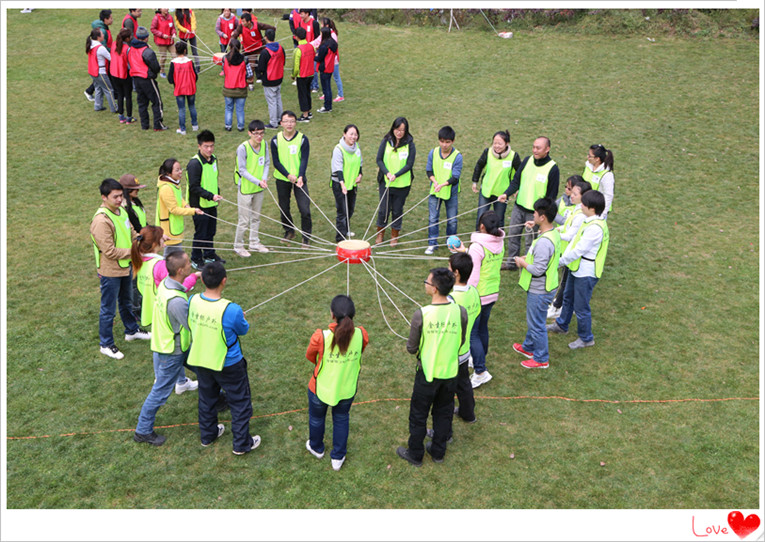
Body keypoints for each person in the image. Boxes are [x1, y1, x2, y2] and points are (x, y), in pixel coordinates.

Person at [187, 262, 261, 455]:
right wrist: (239, 318)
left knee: (207, 398)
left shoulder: (192, 300)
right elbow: (243, 329)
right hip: (229, 363)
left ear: (202, 279)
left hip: (202, 359)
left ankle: (208, 434)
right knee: (239, 402)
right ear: (224, 281)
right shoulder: (232, 309)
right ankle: (241, 444)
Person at [397, 268, 467, 466]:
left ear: (435, 289)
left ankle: (416, 453)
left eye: (427, 282)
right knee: (444, 413)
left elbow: (411, 347)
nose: (425, 284)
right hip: (451, 373)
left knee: (418, 415)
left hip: (427, 374)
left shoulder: (422, 314)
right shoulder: (460, 311)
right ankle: (438, 452)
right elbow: (461, 340)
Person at [133, 250, 199, 447]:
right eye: (188, 264)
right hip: (172, 351)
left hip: (172, 344)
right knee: (160, 391)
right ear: (180, 270)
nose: (191, 265)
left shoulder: (165, 284)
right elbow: (190, 324)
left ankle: (219, 398)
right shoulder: (176, 301)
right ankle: (142, 430)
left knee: (206, 369)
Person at [305, 295, 369, 471]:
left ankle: (317, 447)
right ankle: (338, 456)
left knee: (317, 418)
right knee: (341, 419)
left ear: (332, 314)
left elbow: (310, 356)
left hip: (320, 388)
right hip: (346, 388)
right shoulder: (361, 335)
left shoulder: (320, 336)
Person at [90, 178, 149, 360]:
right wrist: (135, 253)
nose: (118, 200)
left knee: (126, 301)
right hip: (111, 271)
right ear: (104, 197)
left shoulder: (121, 211)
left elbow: (131, 232)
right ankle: (106, 344)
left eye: (120, 196)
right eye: (115, 197)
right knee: (108, 308)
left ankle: (131, 330)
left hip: (125, 266)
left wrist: (144, 240)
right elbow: (109, 251)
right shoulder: (101, 221)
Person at [547, 190, 609, 350]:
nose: (581, 205)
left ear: (592, 208)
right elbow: (574, 241)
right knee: (568, 297)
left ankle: (586, 337)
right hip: (578, 268)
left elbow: (578, 250)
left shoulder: (595, 228)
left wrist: (558, 262)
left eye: (584, 204)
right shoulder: (589, 221)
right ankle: (561, 324)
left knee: (581, 307)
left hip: (586, 271)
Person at [452, 210, 505, 389]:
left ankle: (481, 371)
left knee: (472, 333)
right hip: (492, 292)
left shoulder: (477, 246)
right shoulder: (499, 242)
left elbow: (473, 275)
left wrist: (465, 293)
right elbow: (483, 259)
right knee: (482, 328)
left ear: (482, 226)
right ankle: (478, 360)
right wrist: (465, 251)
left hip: (477, 294)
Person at [512, 198, 561, 369]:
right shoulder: (551, 233)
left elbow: (538, 270)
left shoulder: (545, 242)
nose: (533, 214)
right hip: (546, 285)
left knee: (537, 324)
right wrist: (528, 258)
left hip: (540, 289)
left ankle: (541, 358)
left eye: (535, 212)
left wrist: (522, 262)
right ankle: (528, 347)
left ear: (543, 217)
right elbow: (542, 259)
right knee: (535, 319)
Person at [497, 136, 559, 270]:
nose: (535, 150)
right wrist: (506, 193)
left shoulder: (552, 168)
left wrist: (542, 216)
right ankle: (512, 263)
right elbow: (516, 181)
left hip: (535, 213)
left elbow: (551, 197)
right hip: (519, 207)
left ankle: (528, 265)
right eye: (533, 147)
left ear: (547, 149)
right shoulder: (527, 161)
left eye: (538, 148)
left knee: (530, 241)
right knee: (513, 235)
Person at [130, 224, 198, 328]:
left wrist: (159, 240)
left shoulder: (139, 259)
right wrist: (194, 276)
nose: (164, 238)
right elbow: (179, 287)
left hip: (152, 308)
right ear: (154, 244)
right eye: (161, 237)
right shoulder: (160, 265)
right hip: (166, 309)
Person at [547, 178, 590, 320]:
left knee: (565, 283)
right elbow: (567, 228)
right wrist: (556, 230)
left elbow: (571, 235)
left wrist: (554, 234)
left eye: (575, 194)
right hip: (567, 252)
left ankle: (558, 307)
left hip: (571, 254)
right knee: (565, 282)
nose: (571, 195)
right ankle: (560, 306)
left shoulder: (580, 215)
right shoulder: (576, 210)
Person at [270, 110, 312, 248]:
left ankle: (306, 237)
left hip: (299, 179)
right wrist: (288, 175)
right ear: (281, 123)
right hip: (282, 179)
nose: (289, 124)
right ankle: (289, 231)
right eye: (286, 121)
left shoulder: (303, 139)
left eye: (292, 121)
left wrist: (300, 176)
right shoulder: (275, 140)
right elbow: (276, 162)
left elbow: (304, 159)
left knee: (304, 208)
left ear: (295, 122)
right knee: (284, 207)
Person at [446, 252, 479, 424]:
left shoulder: (452, 300)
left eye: (449, 268)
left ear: (456, 273)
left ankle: (445, 430)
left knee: (448, 390)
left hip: (453, 352)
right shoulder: (473, 291)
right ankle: (468, 413)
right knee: (464, 384)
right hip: (465, 350)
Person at [375, 117, 416, 247]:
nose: (399, 132)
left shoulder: (410, 144)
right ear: (393, 128)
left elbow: (409, 164)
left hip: (402, 184)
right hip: (386, 182)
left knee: (397, 210)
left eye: (402, 130)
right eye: (397, 129)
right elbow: (379, 159)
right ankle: (380, 233)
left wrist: (396, 175)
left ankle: (394, 235)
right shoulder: (386, 141)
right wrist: (387, 173)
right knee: (383, 210)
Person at [187, 130, 224, 269]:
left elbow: (213, 179)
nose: (209, 149)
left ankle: (209, 254)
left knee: (211, 231)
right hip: (199, 205)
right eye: (206, 146)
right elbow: (194, 187)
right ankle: (196, 258)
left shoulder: (214, 159)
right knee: (201, 233)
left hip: (211, 203)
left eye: (211, 146)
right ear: (199, 146)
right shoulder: (194, 164)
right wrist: (211, 196)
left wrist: (217, 194)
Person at [234, 119, 271, 256]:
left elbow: (266, 162)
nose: (259, 137)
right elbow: (242, 170)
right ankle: (238, 245)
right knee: (244, 219)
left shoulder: (264, 145)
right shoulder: (243, 148)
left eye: (261, 133)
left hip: (258, 188)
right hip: (246, 189)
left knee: (256, 217)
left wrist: (264, 178)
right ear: (249, 133)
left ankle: (254, 242)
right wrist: (257, 181)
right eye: (256, 134)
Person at [471, 130, 521, 229]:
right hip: (486, 191)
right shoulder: (487, 152)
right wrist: (475, 181)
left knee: (499, 220)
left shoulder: (513, 156)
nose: (496, 146)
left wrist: (517, 189)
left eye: (500, 144)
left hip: (502, 194)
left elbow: (520, 173)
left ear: (507, 143)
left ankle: (498, 243)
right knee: (481, 218)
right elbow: (479, 165)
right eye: (494, 143)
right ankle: (478, 242)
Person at [425, 126, 462, 255]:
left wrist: (443, 185)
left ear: (452, 141)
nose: (444, 145)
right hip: (435, 191)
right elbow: (429, 170)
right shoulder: (433, 152)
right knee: (433, 218)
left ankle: (452, 244)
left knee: (452, 219)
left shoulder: (457, 156)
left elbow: (455, 177)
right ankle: (432, 243)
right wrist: (435, 182)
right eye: (441, 141)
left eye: (447, 142)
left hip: (450, 193)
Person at [156, 158, 203, 253]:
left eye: (180, 169)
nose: (180, 172)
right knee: (171, 257)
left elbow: (178, 198)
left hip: (175, 227)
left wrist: (186, 205)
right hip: (169, 229)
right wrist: (193, 211)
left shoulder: (174, 184)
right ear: (169, 173)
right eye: (177, 170)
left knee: (175, 255)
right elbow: (174, 209)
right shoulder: (166, 188)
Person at [128, 26, 167, 131]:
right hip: (146, 78)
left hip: (136, 78)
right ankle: (157, 125)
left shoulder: (131, 48)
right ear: (146, 38)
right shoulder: (147, 51)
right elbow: (155, 67)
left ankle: (144, 125)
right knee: (157, 102)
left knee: (142, 103)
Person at [331, 124, 363, 242]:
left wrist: (360, 175)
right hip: (340, 185)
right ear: (344, 134)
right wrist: (342, 185)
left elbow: (359, 163)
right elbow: (338, 168)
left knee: (350, 209)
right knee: (342, 211)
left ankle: (346, 229)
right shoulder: (338, 149)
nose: (353, 137)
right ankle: (340, 238)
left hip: (352, 184)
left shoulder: (357, 148)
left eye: (355, 134)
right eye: (351, 134)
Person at [168, 40, 198, 136]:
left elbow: (170, 78)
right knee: (192, 106)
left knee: (182, 109)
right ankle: (195, 125)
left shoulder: (173, 63)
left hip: (180, 88)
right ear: (185, 50)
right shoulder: (190, 62)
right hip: (190, 88)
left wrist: (176, 82)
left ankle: (183, 129)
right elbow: (195, 76)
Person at [222, 39, 252, 132]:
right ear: (240, 48)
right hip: (241, 88)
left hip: (228, 87)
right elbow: (250, 74)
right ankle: (240, 126)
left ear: (230, 47)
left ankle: (228, 126)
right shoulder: (245, 59)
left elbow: (224, 70)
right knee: (240, 109)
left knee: (228, 108)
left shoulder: (224, 58)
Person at [257, 29, 285, 130]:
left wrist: (260, 75)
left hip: (269, 79)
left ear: (266, 38)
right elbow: (283, 61)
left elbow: (261, 67)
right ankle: (280, 119)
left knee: (272, 101)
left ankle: (274, 123)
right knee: (278, 99)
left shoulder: (265, 52)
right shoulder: (281, 48)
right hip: (279, 77)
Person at [85, 9, 114, 103]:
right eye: (111, 18)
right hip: (104, 59)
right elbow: (104, 47)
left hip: (103, 58)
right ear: (105, 19)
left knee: (102, 78)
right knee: (104, 77)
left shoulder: (104, 28)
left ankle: (90, 92)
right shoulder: (103, 31)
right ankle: (89, 91)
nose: (112, 20)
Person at [86, 28, 117, 114]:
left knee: (98, 88)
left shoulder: (90, 45)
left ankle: (98, 105)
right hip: (100, 72)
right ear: (98, 37)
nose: (103, 35)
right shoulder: (101, 48)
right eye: (102, 34)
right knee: (109, 90)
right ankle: (114, 108)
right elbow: (111, 58)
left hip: (93, 71)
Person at [315, 18, 344, 103]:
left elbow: (332, 48)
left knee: (336, 77)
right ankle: (326, 94)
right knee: (327, 80)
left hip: (332, 61)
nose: (321, 25)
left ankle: (340, 95)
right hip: (328, 60)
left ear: (326, 26)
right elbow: (318, 40)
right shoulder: (325, 33)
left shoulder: (332, 35)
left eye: (322, 24)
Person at [582, 144, 615, 218]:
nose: (587, 157)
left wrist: (601, 215)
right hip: (585, 206)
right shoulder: (588, 166)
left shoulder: (607, 175)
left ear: (597, 159)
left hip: (597, 211)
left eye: (590, 156)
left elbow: (608, 196)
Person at [110, 28, 134, 124]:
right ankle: (129, 117)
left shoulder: (113, 44)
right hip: (124, 74)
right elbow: (129, 63)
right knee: (128, 96)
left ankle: (121, 116)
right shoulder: (127, 49)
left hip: (114, 73)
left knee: (120, 94)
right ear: (127, 39)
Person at [291, 26, 314, 123]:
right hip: (311, 73)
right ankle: (308, 111)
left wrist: (293, 75)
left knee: (302, 94)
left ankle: (305, 115)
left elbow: (296, 66)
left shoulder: (298, 50)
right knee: (307, 92)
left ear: (296, 37)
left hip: (302, 75)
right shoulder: (311, 46)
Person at [315, 27, 337, 114]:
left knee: (326, 88)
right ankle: (329, 106)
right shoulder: (333, 43)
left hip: (324, 67)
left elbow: (319, 58)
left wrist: (314, 55)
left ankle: (327, 106)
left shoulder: (324, 46)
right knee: (328, 87)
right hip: (330, 66)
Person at [150, 8, 175, 78]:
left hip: (170, 41)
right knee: (163, 57)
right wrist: (162, 35)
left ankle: (174, 71)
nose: (166, 9)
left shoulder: (170, 17)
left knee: (175, 56)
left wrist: (173, 33)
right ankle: (162, 71)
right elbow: (152, 29)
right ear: (160, 9)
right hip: (161, 42)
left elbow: (173, 28)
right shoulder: (156, 18)